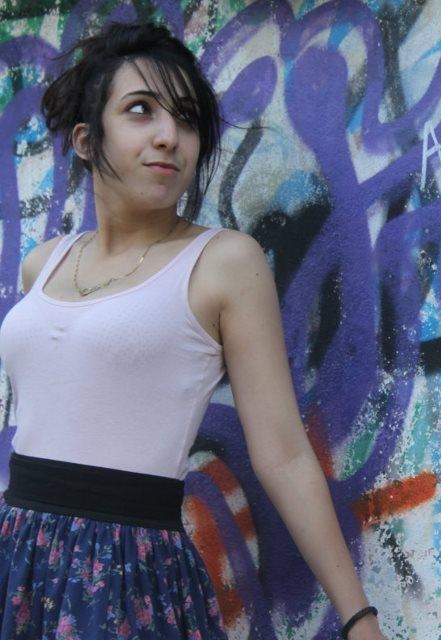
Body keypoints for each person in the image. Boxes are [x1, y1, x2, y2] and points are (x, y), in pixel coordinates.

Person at [0, 22, 387, 640]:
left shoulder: (222, 263)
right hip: (16, 556)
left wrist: (357, 618)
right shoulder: (42, 264)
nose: (168, 136)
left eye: (185, 119)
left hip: (124, 576)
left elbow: (284, 454)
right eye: (140, 110)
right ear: (85, 138)